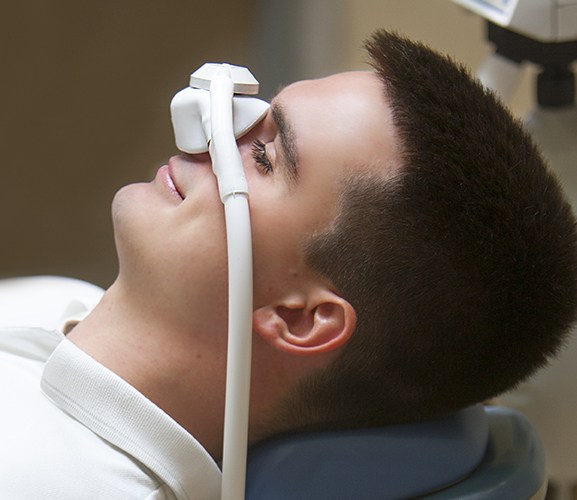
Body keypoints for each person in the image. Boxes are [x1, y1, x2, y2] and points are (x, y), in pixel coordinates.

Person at [1, 29, 576, 499]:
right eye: (253, 111)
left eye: (263, 155)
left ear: (301, 318)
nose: (211, 129)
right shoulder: (58, 300)